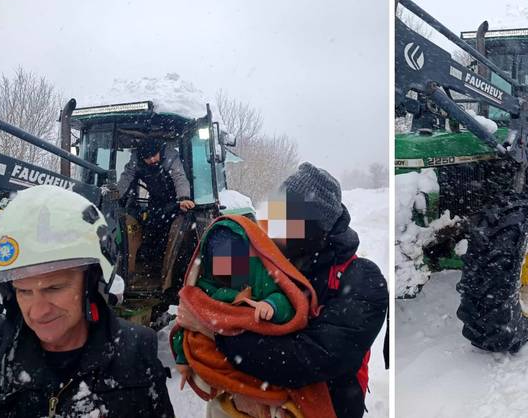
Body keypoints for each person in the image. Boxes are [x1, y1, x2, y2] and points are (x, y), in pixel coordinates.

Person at [177, 162, 388, 418]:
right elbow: (223, 292)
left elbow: (311, 359)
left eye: (285, 218)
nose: (272, 226)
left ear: (312, 226)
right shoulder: (274, 260)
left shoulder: (362, 280)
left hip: (331, 406)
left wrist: (217, 333)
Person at [0, 185, 174, 417]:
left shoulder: (137, 354)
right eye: (24, 291)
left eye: (54, 288)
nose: (37, 312)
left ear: (92, 283)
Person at [171, 219, 294, 387]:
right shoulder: (206, 285)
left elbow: (287, 302)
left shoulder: (257, 272)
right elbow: (186, 321)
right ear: (209, 260)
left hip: (253, 352)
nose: (228, 268)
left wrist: (271, 305)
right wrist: (183, 357)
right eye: (221, 262)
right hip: (220, 354)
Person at [117, 137, 195, 265]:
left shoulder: (171, 156)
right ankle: (149, 262)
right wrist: (117, 196)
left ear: (160, 151)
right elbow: (126, 177)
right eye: (148, 158)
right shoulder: (136, 160)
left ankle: (165, 263)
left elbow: (179, 176)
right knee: (151, 227)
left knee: (169, 229)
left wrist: (184, 198)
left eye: (154, 155)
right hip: (155, 199)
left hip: (175, 200)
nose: (152, 160)